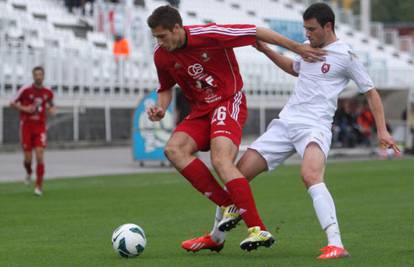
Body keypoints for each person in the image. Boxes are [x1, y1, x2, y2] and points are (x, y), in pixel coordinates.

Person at [185, 2, 399, 259]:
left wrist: (382, 131)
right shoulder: (309, 51)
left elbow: (371, 93)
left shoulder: (346, 55)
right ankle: (215, 239)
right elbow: (292, 68)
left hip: (315, 126)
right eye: (305, 29)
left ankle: (336, 243)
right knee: (237, 175)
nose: (306, 34)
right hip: (284, 124)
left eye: (311, 29)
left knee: (310, 175)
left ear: (328, 26)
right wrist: (265, 50)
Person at [145, 5, 325, 252]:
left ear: (177, 28)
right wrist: (161, 108)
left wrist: (297, 47)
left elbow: (257, 31)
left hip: (228, 101)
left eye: (163, 36)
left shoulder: (210, 35)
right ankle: (229, 205)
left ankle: (257, 229)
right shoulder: (161, 55)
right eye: (156, 37)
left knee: (221, 159)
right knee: (174, 150)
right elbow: (165, 86)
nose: (160, 42)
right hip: (200, 111)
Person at [10, 66, 55, 196]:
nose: (38, 77)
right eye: (36, 74)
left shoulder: (48, 92)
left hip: (40, 127)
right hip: (26, 126)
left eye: (40, 74)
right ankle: (29, 172)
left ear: (43, 76)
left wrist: (51, 110)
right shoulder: (25, 90)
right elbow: (12, 103)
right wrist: (25, 108)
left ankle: (39, 186)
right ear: (33, 76)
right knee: (28, 159)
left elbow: (51, 106)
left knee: (40, 156)